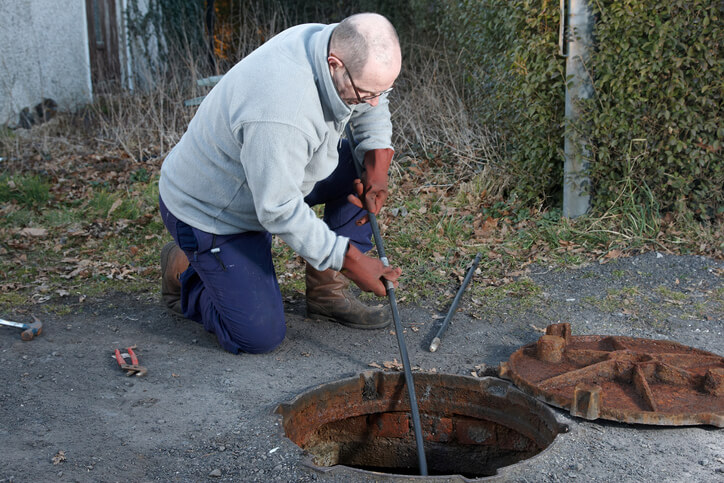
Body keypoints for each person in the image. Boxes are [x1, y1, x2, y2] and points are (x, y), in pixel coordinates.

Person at [158, 13, 403, 354]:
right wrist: (351, 260)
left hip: (273, 173)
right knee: (259, 335)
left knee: (354, 164)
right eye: (366, 94)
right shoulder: (282, 108)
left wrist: (377, 159)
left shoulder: (331, 44)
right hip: (212, 209)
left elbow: (373, 99)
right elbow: (278, 208)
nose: (374, 102)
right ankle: (185, 273)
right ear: (335, 64)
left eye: (382, 91)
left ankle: (326, 295)